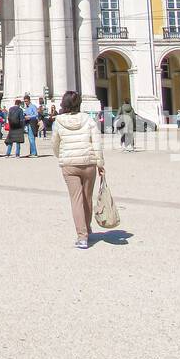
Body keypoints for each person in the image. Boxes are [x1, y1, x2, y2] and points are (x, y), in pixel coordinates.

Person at [52, 90, 105, 249]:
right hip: (88, 163)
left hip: (69, 165)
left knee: (76, 199)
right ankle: (87, 229)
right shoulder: (88, 119)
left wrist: (61, 156)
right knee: (87, 198)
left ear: (64, 104)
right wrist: (100, 163)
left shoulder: (59, 121)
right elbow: (96, 142)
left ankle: (82, 237)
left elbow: (55, 143)